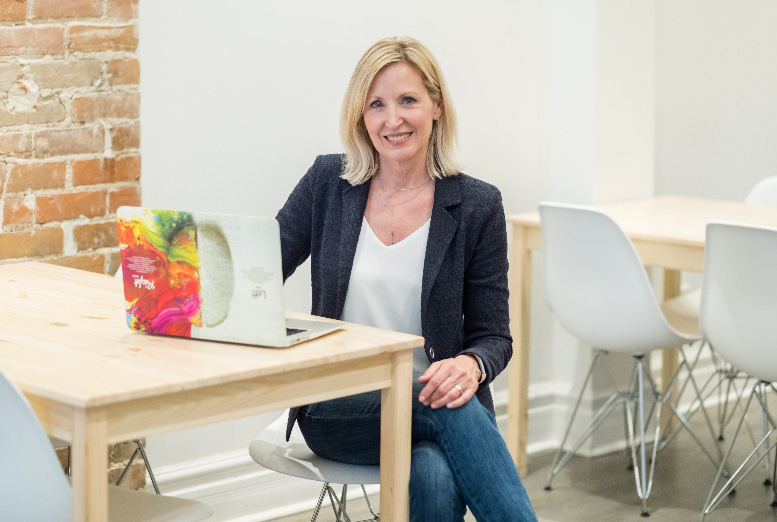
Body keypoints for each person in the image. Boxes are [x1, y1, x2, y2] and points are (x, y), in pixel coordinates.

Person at [276, 36, 536, 522]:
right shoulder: (328, 184)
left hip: (435, 403)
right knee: (449, 412)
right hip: (338, 407)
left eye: (408, 100)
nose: (392, 119)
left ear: (437, 106)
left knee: (434, 472)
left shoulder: (478, 205)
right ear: (361, 115)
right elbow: (260, 268)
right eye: (377, 104)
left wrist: (472, 365)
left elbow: (493, 336)